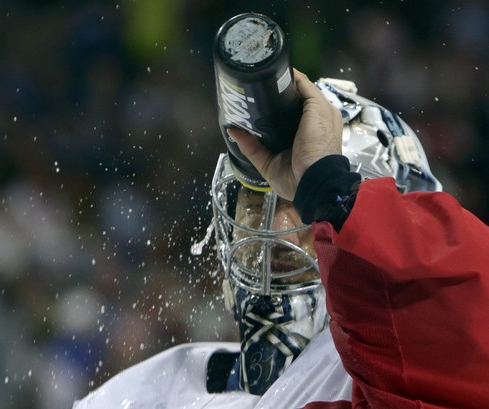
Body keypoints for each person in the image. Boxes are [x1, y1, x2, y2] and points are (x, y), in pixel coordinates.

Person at [73, 69, 489, 409]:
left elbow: (456, 330)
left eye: (300, 198)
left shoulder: (401, 373)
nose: (277, 227)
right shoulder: (146, 393)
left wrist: (334, 196)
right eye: (256, 200)